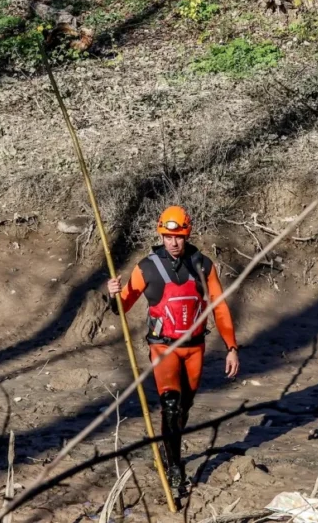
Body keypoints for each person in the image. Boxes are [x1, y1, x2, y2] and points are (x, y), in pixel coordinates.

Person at [105, 205, 240, 494]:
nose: (173, 242)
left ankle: (168, 454)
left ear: (187, 234)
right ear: (161, 235)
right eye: (167, 237)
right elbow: (122, 307)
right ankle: (175, 467)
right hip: (163, 347)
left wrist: (231, 347)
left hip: (195, 348)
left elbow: (220, 306)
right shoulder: (147, 267)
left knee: (184, 408)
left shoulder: (203, 265)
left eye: (178, 236)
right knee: (170, 405)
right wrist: (113, 294)